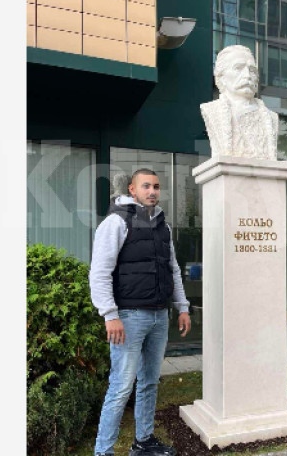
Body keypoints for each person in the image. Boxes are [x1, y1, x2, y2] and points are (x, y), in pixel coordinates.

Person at [89, 168, 192, 456]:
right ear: (132, 190)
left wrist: (182, 307)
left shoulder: (163, 226)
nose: (152, 191)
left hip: (160, 316)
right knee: (121, 387)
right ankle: (103, 451)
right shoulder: (116, 222)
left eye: (156, 187)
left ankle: (143, 442)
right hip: (130, 317)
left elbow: (172, 269)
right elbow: (99, 272)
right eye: (146, 186)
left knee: (149, 383)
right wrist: (110, 315)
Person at [200, 45, 279, 160]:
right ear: (221, 77)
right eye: (238, 68)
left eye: (252, 70)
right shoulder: (211, 110)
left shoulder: (272, 118)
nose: (247, 75)